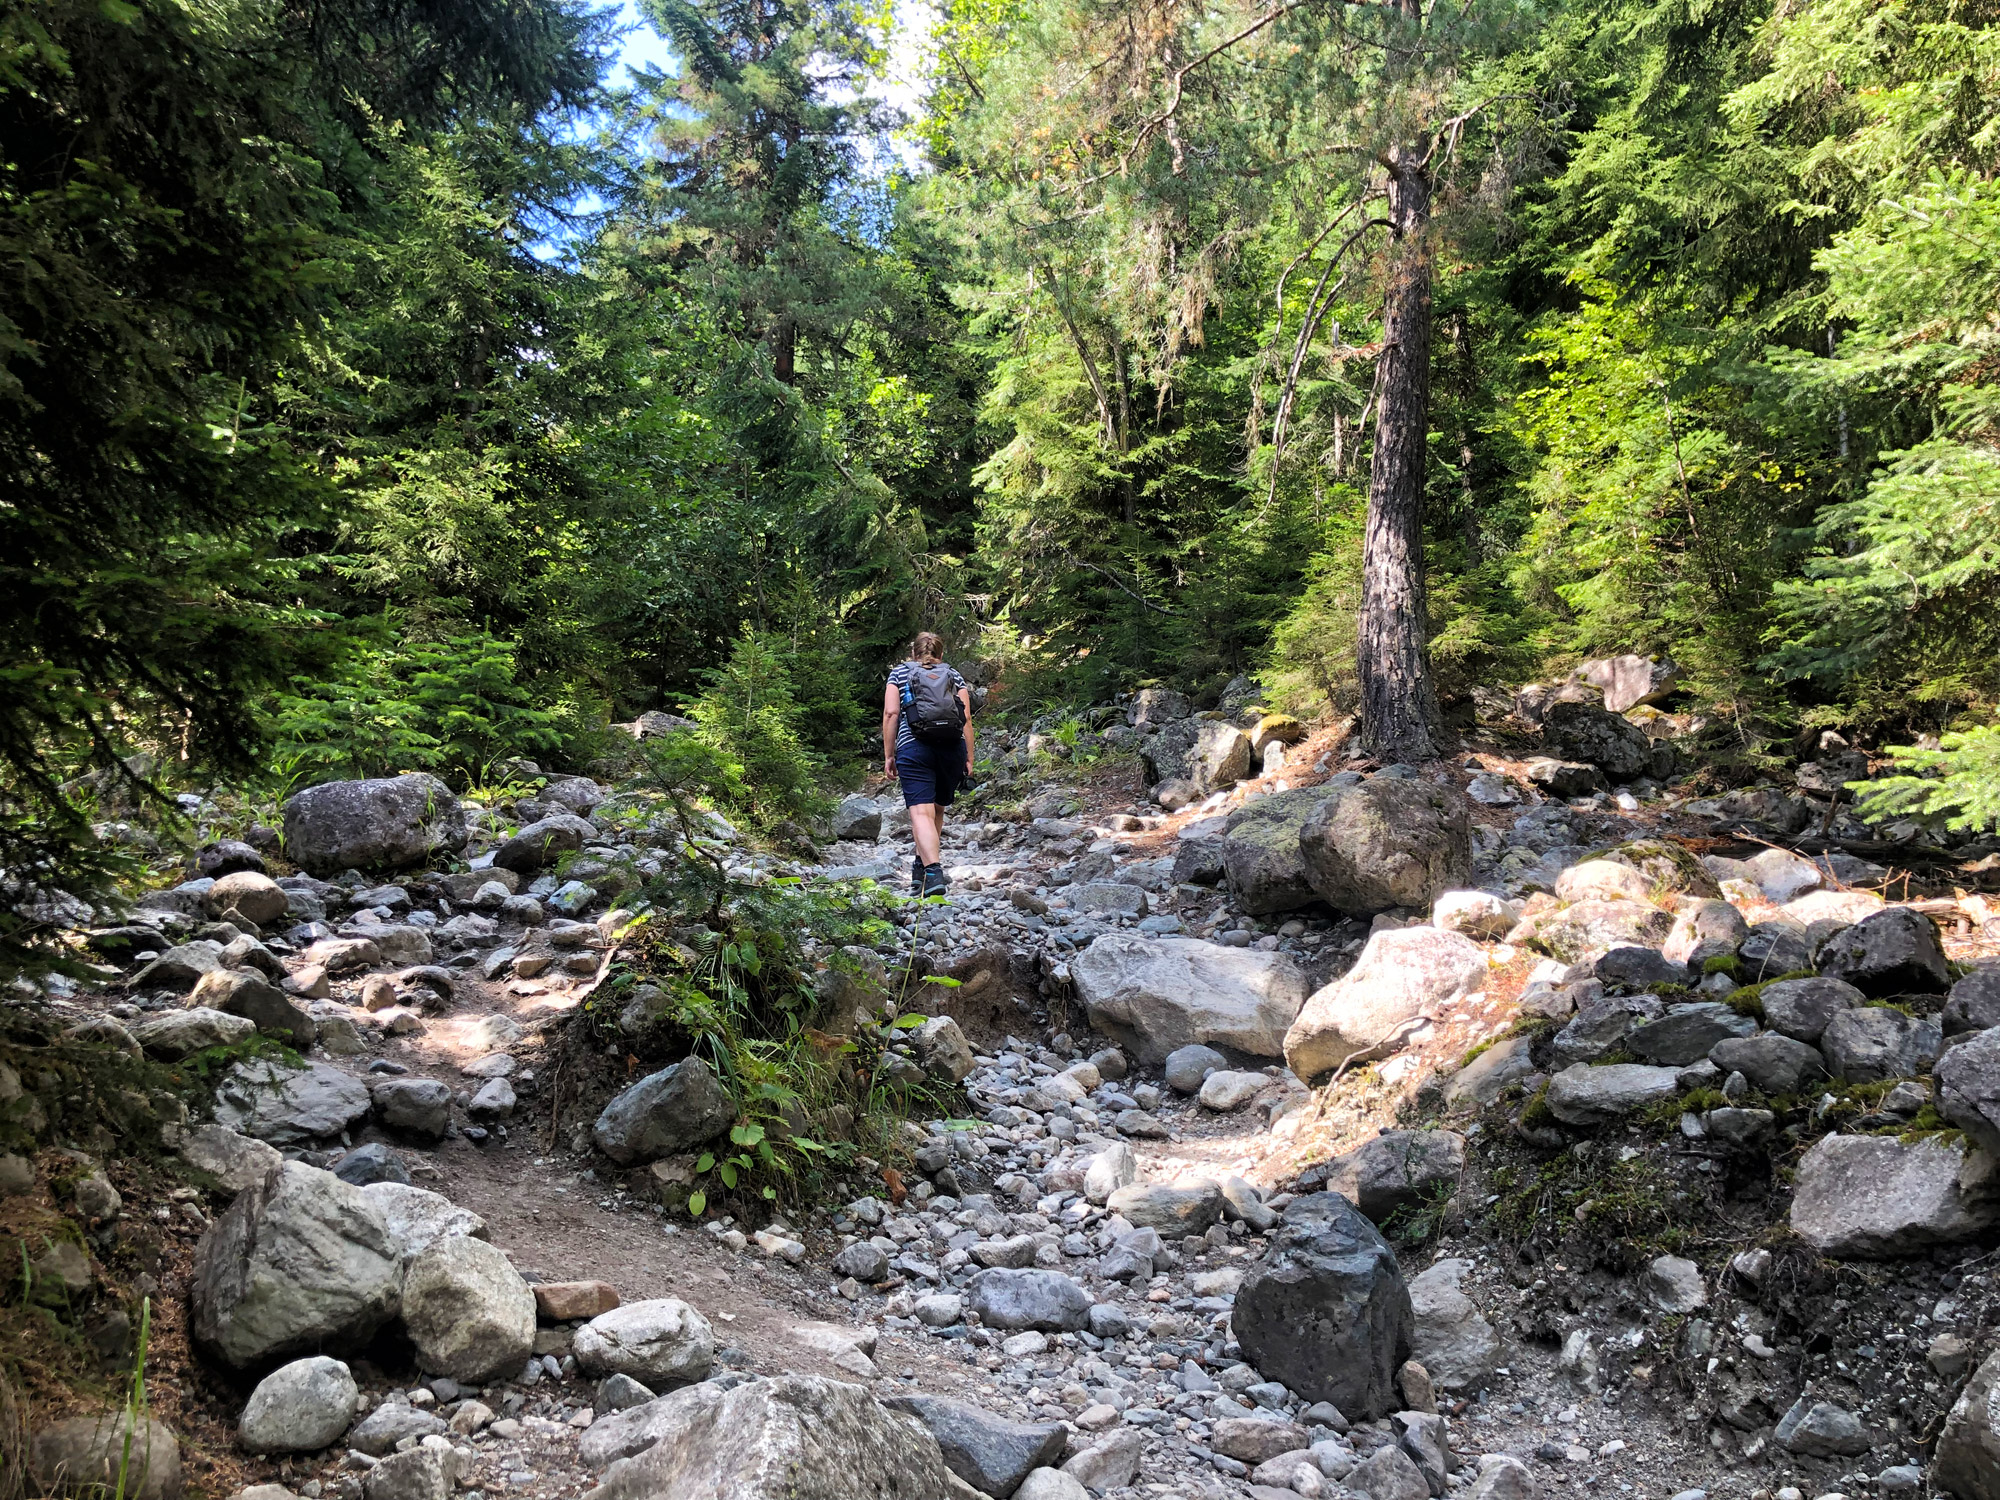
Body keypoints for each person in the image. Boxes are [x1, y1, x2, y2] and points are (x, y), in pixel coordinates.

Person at [883, 632, 975, 896]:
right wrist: (969, 756)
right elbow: (966, 717)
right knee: (936, 810)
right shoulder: (953, 674)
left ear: (913, 653)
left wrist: (890, 754)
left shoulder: (899, 674)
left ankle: (933, 872)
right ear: (941, 654)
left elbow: (891, 713)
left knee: (920, 813)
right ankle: (920, 867)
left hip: (914, 747)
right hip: (951, 747)